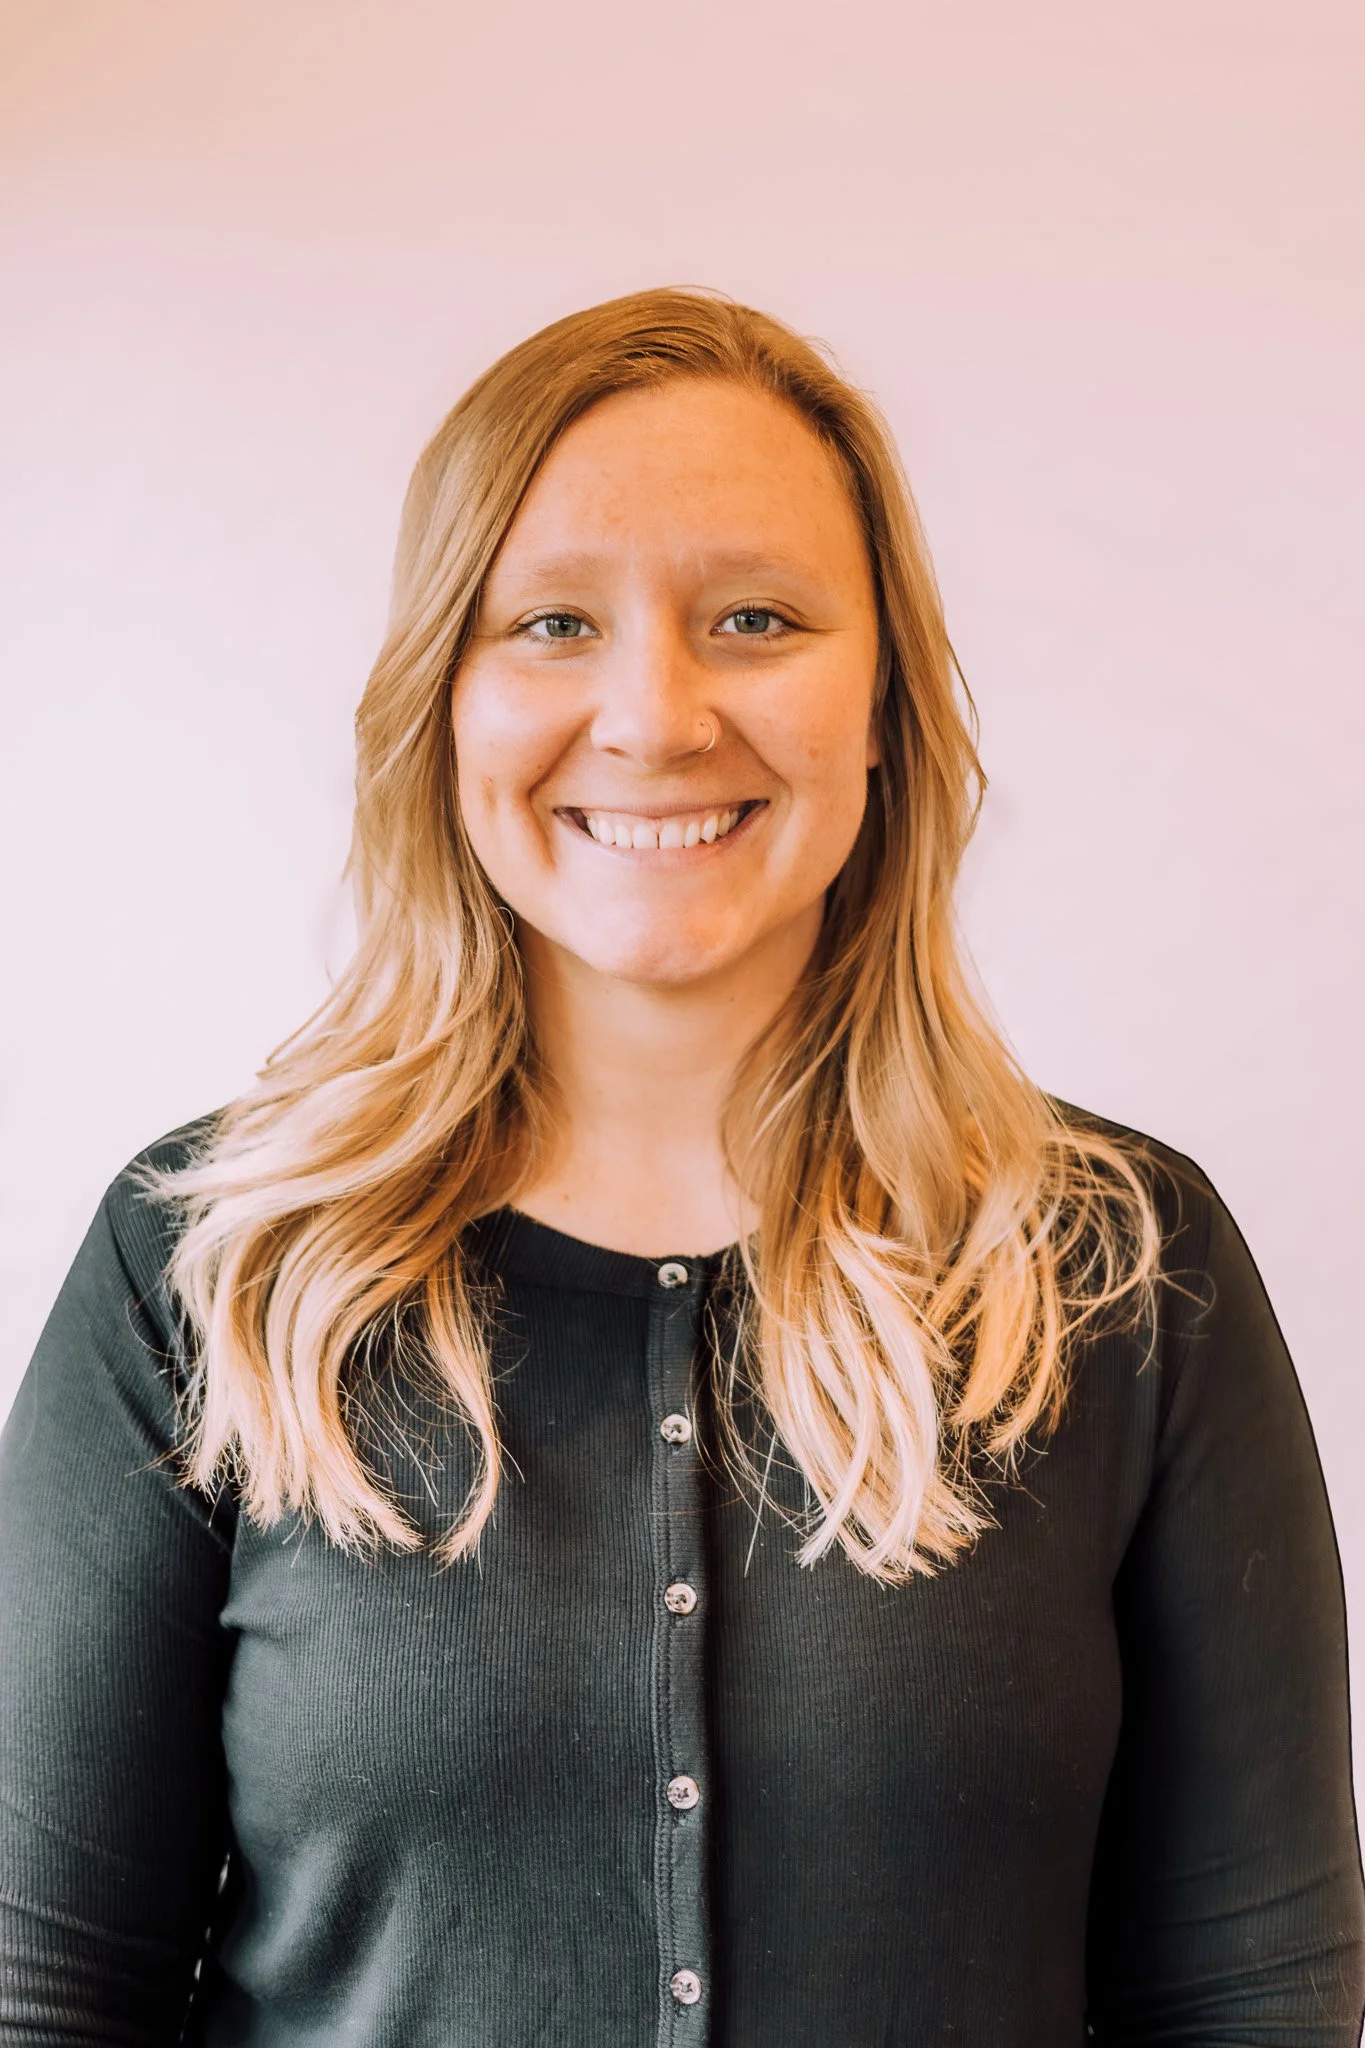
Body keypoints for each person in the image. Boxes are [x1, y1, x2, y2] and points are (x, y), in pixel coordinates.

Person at [1, 286, 1361, 2048]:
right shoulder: (206, 1271)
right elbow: (42, 1993)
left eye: (755, 618)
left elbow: (1257, 2000)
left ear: (881, 703)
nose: (653, 714)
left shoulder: (1121, 1272)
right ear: (445, 704)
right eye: (554, 621)